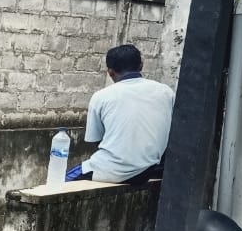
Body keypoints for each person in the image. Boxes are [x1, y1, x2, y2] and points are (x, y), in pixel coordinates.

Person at [66, 44, 174, 185]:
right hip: (150, 169)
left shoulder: (101, 97)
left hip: (113, 171)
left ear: (110, 72)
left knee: (60, 183)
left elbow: (96, 140)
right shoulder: (166, 92)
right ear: (141, 65)